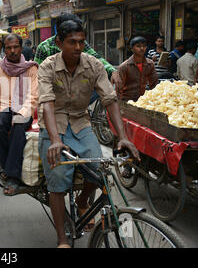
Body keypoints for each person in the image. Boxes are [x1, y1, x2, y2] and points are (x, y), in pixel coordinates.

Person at [38, 20, 140, 248]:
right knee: (58, 178)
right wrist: (55, 140)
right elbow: (47, 103)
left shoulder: (94, 65)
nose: (77, 47)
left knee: (98, 166)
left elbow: (110, 100)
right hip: (53, 122)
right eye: (71, 42)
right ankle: (62, 238)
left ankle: (83, 200)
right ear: (59, 43)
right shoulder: (47, 66)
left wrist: (122, 136)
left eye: (81, 42)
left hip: (80, 121)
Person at [0, 34, 38, 196]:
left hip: (23, 108)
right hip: (2, 108)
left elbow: (33, 95)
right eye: (9, 48)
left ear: (20, 47)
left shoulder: (30, 69)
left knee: (19, 125)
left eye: (16, 47)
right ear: (5, 51)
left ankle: (12, 176)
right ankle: (7, 166)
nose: (13, 51)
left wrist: (22, 112)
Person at [34, 13, 120, 89]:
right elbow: (37, 76)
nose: (77, 47)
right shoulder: (44, 47)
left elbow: (96, 58)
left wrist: (112, 71)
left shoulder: (80, 44)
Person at [117, 36, 158, 102]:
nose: (142, 48)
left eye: (144, 46)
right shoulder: (124, 66)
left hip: (143, 101)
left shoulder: (150, 64)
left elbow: (154, 84)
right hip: (127, 101)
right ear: (132, 49)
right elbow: (118, 89)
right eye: (138, 46)